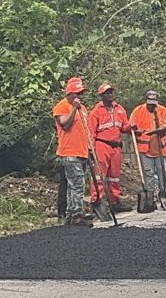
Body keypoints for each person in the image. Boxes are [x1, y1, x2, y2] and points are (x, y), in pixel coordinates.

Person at [87, 84, 132, 213]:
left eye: (111, 92)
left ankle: (115, 201)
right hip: (102, 145)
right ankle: (96, 201)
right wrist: (91, 148)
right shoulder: (96, 112)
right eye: (107, 93)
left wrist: (131, 128)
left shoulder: (120, 109)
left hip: (116, 146)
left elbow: (124, 127)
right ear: (101, 95)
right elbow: (91, 131)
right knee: (99, 175)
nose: (110, 95)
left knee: (115, 176)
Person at [53, 77, 92, 227]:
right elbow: (65, 125)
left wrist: (89, 147)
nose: (79, 97)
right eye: (77, 93)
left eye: (81, 93)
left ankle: (70, 214)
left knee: (73, 185)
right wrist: (74, 108)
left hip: (82, 151)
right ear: (69, 94)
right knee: (77, 185)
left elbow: (85, 129)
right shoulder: (61, 107)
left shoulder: (83, 109)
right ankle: (76, 215)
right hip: (69, 152)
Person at [130, 90, 166, 203]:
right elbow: (131, 127)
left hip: (161, 150)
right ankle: (150, 197)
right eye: (150, 104)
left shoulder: (163, 111)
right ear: (146, 102)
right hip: (145, 150)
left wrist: (152, 132)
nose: (152, 106)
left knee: (164, 173)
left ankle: (165, 195)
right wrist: (136, 131)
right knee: (148, 174)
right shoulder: (137, 111)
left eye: (154, 104)